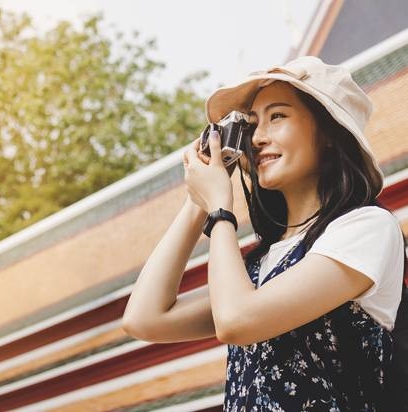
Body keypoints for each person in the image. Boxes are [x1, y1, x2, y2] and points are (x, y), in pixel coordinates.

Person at [122, 56, 406, 411]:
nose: (256, 138)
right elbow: (144, 318)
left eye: (278, 116)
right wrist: (200, 197)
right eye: (252, 124)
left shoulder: (365, 228)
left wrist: (219, 209)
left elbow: (237, 321)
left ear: (331, 134)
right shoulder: (260, 267)